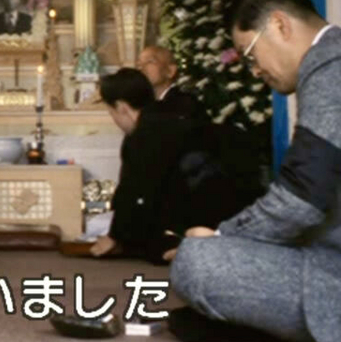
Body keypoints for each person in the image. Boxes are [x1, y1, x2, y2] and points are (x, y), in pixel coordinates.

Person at [168, 0, 341, 342]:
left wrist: (221, 238)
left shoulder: (339, 64)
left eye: (250, 55)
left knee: (197, 263)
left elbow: (301, 199)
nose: (254, 71)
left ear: (279, 25)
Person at [89, 69, 250, 264]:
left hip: (196, 219)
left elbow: (134, 193)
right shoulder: (175, 117)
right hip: (234, 213)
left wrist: (115, 237)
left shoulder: (143, 135)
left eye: (111, 112)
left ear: (121, 107)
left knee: (153, 244)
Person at [135, 45, 206, 120]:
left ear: (170, 71)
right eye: (139, 64)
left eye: (150, 62)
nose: (141, 68)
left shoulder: (185, 104)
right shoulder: (140, 104)